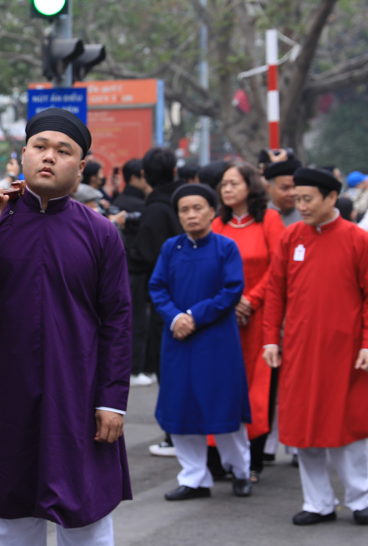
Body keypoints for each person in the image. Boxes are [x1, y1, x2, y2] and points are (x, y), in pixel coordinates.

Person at [0, 108, 132, 546]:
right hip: (4, 392)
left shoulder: (100, 234)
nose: (48, 157)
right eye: (40, 147)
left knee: (85, 521)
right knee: (9, 521)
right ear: (22, 154)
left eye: (63, 152)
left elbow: (117, 320)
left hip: (77, 395)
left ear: (79, 167)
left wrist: (113, 400)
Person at [262, 167, 368, 527]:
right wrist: (270, 339)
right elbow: (274, 292)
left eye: (307, 199)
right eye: (297, 199)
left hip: (347, 354)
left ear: (331, 197)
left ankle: (362, 498)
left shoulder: (357, 239)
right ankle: (318, 502)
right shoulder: (291, 237)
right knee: (304, 431)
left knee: (347, 429)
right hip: (299, 352)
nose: (301, 205)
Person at [149, 183, 252, 501]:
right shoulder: (171, 248)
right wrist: (175, 317)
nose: (191, 215)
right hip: (178, 339)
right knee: (180, 410)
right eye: (184, 209)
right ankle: (194, 477)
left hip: (217, 340)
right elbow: (157, 287)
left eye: (198, 208)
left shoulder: (225, 247)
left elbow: (232, 289)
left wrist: (193, 315)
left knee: (224, 409)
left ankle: (240, 471)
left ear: (212, 211)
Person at [212, 163, 285, 483]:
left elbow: (278, 267)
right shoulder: (217, 223)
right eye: (223, 184)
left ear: (251, 186)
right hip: (224, 319)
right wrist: (229, 302)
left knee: (258, 387)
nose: (226, 189)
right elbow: (208, 268)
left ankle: (254, 459)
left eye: (233, 183)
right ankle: (218, 458)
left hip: (261, 317)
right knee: (221, 385)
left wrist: (251, 300)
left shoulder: (269, 219)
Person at [131, 147, 185, 456]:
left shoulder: (156, 210)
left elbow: (145, 256)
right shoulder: (179, 203)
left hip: (163, 301)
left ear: (143, 176)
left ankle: (174, 434)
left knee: (169, 368)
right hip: (187, 297)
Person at [112, 160, 153, 387]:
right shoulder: (141, 206)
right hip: (135, 270)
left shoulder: (119, 201)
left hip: (121, 269)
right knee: (135, 320)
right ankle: (134, 369)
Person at [263, 160, 302, 227]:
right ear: (269, 188)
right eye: (285, 188)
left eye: (295, 187)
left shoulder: (306, 215)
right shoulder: (261, 215)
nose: (293, 193)